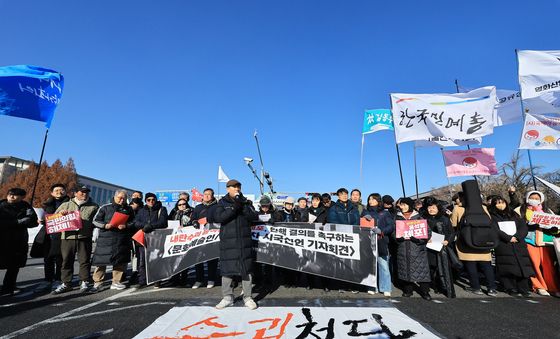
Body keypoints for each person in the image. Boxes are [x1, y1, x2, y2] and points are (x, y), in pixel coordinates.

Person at [214, 179, 259, 310]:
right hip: (228, 242)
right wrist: (234, 208)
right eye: (233, 187)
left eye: (238, 186)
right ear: (228, 189)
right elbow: (220, 218)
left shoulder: (246, 202)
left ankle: (248, 297)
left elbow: (253, 216)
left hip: (244, 242)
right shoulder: (221, 203)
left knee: (246, 270)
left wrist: (243, 206)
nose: (237, 189)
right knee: (227, 270)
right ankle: (227, 297)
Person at [51, 186, 99, 294]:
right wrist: (61, 215)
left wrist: (94, 231)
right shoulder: (66, 204)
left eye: (86, 192)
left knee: (84, 260)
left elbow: (97, 220)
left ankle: (84, 281)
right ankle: (66, 283)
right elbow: (54, 219)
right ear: (75, 193)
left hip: (84, 237)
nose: (84, 194)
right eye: (82, 192)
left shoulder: (94, 206)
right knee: (66, 260)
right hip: (68, 237)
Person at [451, 189, 498, 297]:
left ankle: (476, 287)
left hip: (466, 241)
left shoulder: (458, 209)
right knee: (487, 265)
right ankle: (492, 288)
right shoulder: (483, 207)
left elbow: (453, 224)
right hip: (483, 240)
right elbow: (489, 221)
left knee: (471, 265)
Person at [515, 191, 560, 296]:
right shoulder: (520, 210)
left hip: (545, 242)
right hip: (529, 241)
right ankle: (539, 286)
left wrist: (554, 229)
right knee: (534, 264)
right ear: (527, 198)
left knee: (548, 265)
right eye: (532, 197)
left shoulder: (547, 211)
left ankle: (553, 287)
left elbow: (555, 226)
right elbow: (516, 224)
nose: (534, 199)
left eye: (537, 198)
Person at [489, 196, 534, 297]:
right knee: (507, 267)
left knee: (522, 265)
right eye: (497, 203)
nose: (500, 205)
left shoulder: (514, 214)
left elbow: (523, 227)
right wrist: (508, 238)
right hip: (503, 244)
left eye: (502, 202)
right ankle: (510, 287)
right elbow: (495, 230)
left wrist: (517, 237)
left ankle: (523, 288)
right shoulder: (492, 216)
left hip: (519, 243)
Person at [92, 190, 135, 290]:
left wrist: (126, 225)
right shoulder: (105, 207)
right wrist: (105, 225)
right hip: (105, 238)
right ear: (115, 197)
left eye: (124, 198)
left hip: (121, 239)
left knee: (120, 261)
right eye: (120, 197)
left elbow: (134, 222)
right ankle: (98, 282)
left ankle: (116, 281)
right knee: (101, 261)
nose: (122, 200)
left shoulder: (129, 209)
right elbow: (95, 221)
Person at [0, 188, 38, 295]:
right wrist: (17, 222)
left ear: (22, 197)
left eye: (15, 195)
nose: (11, 197)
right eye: (10, 194)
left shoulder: (26, 207)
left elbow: (33, 223)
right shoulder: (1, 206)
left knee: (14, 266)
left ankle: (9, 287)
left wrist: (29, 220)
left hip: (19, 241)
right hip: (2, 240)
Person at [33, 183, 70, 292]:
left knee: (60, 259)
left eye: (61, 190)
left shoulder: (70, 203)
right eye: (56, 190)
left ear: (65, 191)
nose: (59, 192)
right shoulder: (47, 203)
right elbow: (44, 217)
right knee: (48, 258)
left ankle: (58, 279)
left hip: (62, 233)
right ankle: (47, 279)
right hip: (48, 235)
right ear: (52, 193)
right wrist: (39, 219)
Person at [395, 197, 432, 300]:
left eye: (404, 205)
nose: (402, 207)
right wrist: (397, 238)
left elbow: (428, 233)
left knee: (422, 271)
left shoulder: (419, 218)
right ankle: (408, 290)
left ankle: (425, 292)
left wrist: (418, 240)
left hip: (417, 249)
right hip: (403, 249)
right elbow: (394, 233)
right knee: (405, 269)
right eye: (401, 205)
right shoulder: (398, 218)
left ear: (410, 205)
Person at [362, 193, 395, 297]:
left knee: (384, 265)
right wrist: (363, 218)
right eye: (369, 199)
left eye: (373, 199)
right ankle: (372, 286)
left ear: (378, 201)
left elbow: (391, 226)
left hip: (381, 241)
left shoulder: (384, 213)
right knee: (370, 266)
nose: (371, 201)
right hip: (368, 241)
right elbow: (360, 227)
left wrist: (382, 231)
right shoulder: (365, 212)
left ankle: (385, 287)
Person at [422, 197, 455, 298]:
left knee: (442, 267)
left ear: (438, 208)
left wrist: (447, 241)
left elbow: (451, 232)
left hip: (442, 247)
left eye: (433, 207)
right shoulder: (423, 219)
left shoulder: (444, 218)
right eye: (429, 207)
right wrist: (426, 239)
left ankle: (442, 286)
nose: (431, 209)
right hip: (428, 247)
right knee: (431, 267)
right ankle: (434, 284)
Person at [133, 193, 168, 288]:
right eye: (148, 200)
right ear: (145, 201)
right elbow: (136, 222)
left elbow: (163, 222)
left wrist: (151, 226)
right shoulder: (141, 210)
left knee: (156, 260)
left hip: (156, 238)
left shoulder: (162, 209)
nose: (151, 201)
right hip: (142, 237)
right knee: (142, 261)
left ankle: (157, 280)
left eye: (153, 199)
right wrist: (144, 226)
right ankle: (142, 280)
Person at [189, 188, 219, 289]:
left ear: (213, 196)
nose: (206, 196)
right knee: (198, 258)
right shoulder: (198, 207)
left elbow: (220, 218)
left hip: (212, 236)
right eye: (205, 194)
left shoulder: (217, 206)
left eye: (209, 194)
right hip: (200, 237)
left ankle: (211, 279)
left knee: (212, 259)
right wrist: (194, 221)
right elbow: (193, 218)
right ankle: (199, 280)